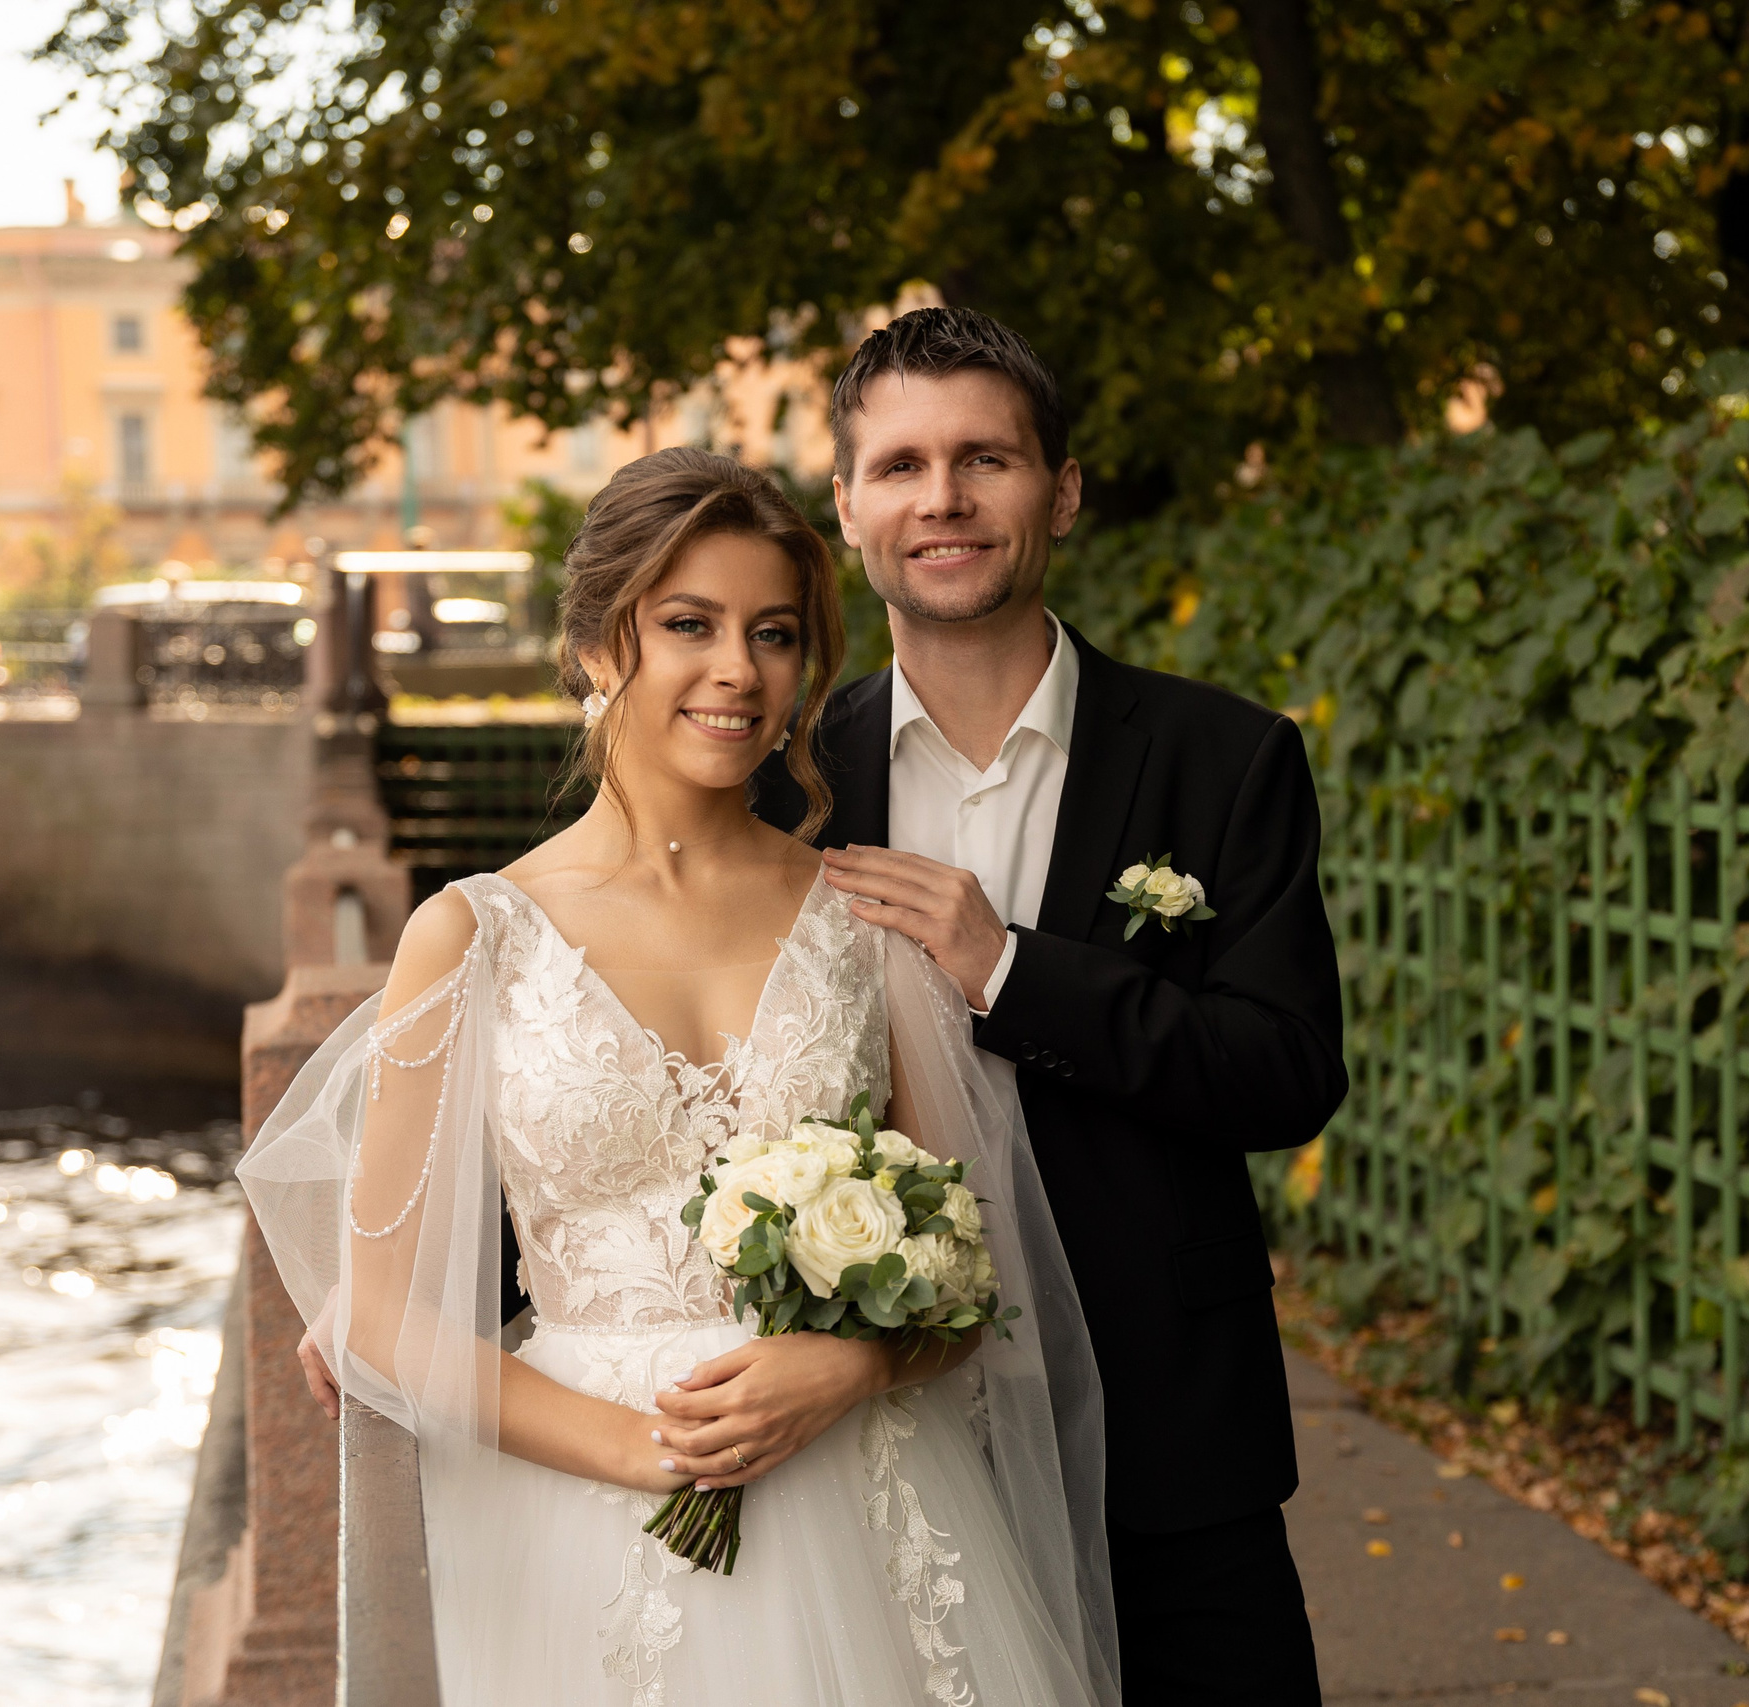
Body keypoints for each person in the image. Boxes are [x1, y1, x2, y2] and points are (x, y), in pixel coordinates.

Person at [247, 447, 1117, 1705]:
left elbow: (967, 1268)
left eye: (772, 634)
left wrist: (858, 1363)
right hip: (576, 1507)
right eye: (687, 625)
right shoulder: (472, 935)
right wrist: (652, 1447)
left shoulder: (864, 917)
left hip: (859, 1483)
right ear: (604, 643)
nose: (737, 672)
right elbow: (380, 1315)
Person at [748, 307, 1344, 1705]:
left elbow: (1283, 1070)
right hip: (876, 1432)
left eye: (985, 459)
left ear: (1060, 490)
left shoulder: (1226, 755)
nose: (942, 498)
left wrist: (1010, 967)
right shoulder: (779, 784)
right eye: (899, 466)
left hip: (1169, 1430)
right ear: (848, 507)